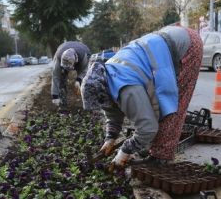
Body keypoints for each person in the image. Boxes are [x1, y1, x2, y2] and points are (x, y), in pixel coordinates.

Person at [80, 25, 203, 167]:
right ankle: (151, 146)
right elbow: (111, 110)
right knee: (151, 112)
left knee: (172, 107)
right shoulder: (106, 77)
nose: (103, 105)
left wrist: (125, 151)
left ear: (102, 92)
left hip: (186, 46)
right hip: (168, 37)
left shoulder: (127, 89)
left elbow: (147, 128)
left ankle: (161, 157)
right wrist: (110, 138)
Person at [51, 41, 90, 107]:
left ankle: (87, 101)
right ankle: (63, 104)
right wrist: (55, 96)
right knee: (61, 80)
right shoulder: (58, 57)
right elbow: (56, 76)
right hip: (62, 49)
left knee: (85, 81)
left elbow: (84, 71)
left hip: (83, 52)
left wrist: (79, 79)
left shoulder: (83, 56)